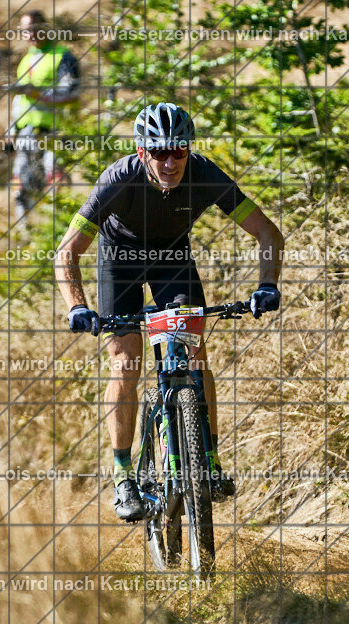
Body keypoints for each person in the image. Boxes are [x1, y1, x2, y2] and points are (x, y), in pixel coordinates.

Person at [53, 103, 284, 521]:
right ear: (141, 152)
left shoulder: (204, 174)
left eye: (178, 151)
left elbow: (267, 232)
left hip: (172, 261)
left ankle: (208, 458)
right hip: (119, 261)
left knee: (194, 355)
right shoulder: (118, 180)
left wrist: (267, 284)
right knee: (125, 362)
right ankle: (124, 476)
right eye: (159, 152)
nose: (170, 162)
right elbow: (67, 252)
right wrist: (77, 307)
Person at [4, 11, 80, 227]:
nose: (31, 34)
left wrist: (39, 94)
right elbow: (20, 99)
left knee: (55, 181)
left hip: (58, 131)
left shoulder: (63, 56)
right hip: (27, 132)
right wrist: (11, 129)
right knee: (21, 185)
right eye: (25, 30)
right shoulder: (27, 59)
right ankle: (25, 234)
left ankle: (61, 230)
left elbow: (72, 92)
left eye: (35, 28)